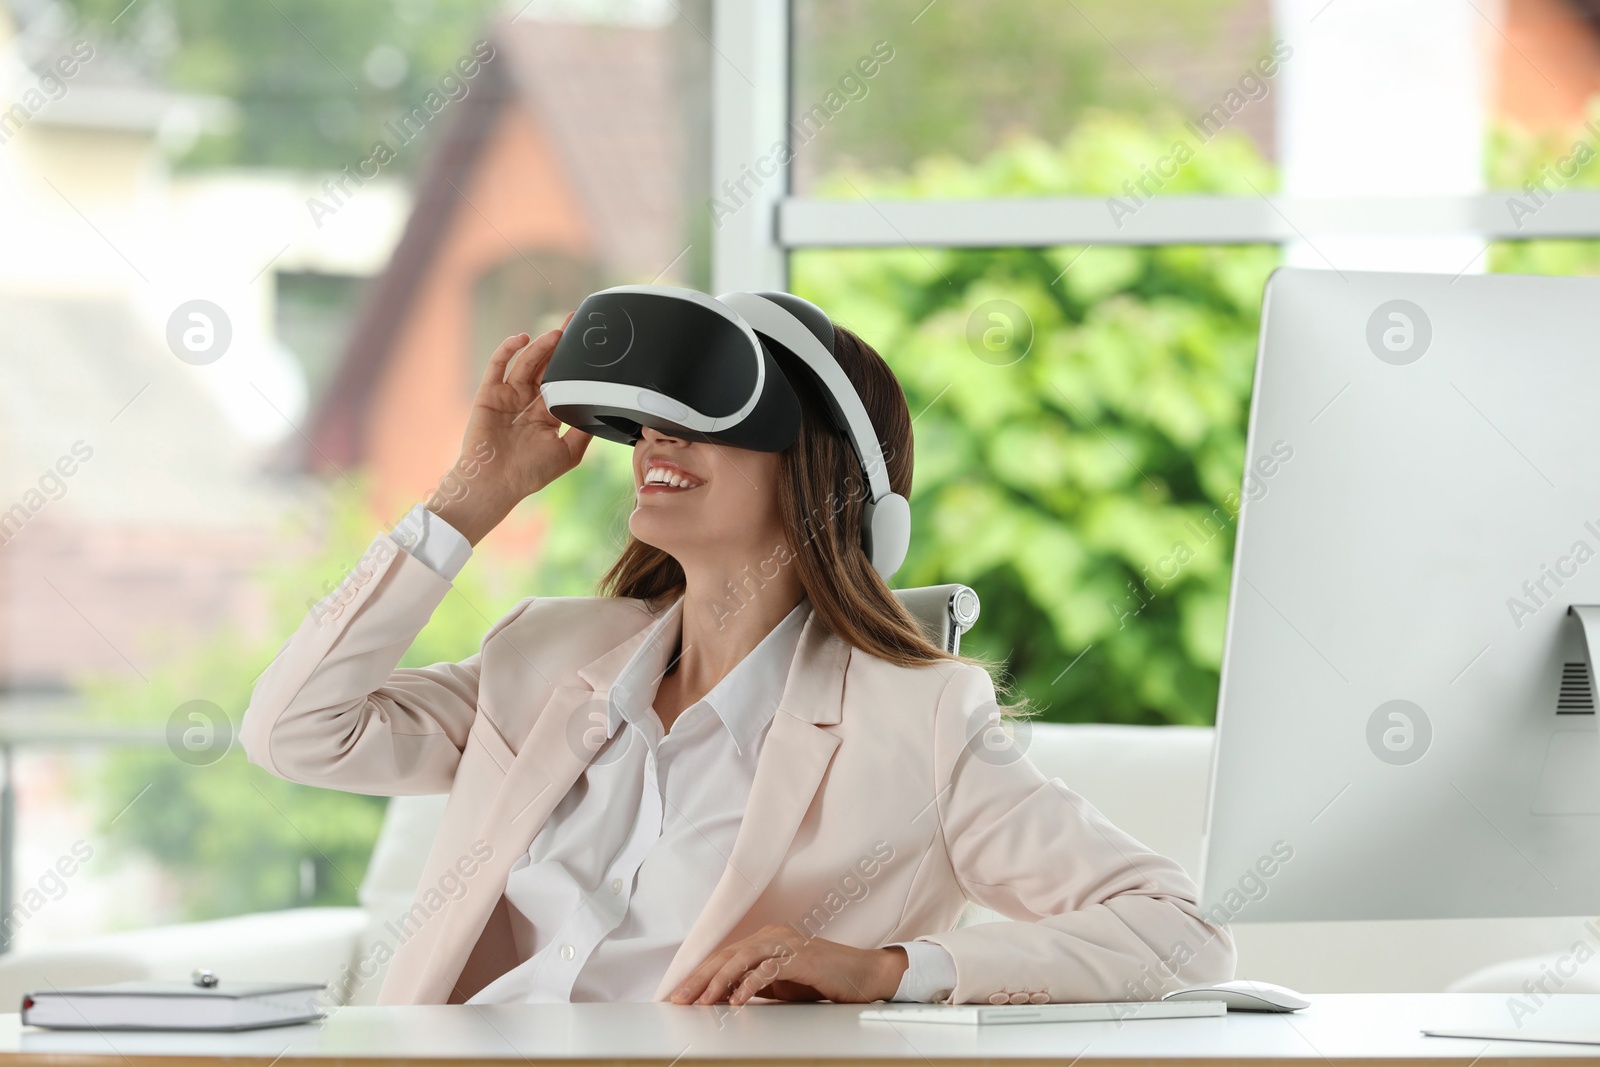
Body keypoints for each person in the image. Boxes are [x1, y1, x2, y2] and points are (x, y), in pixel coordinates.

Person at [241, 301, 1235, 1008]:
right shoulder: (547, 658)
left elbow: (1177, 935)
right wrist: (469, 498)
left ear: (818, 470)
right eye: (650, 415)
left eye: (707, 414)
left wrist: (889, 968)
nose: (657, 437)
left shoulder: (916, 719)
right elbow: (296, 734)